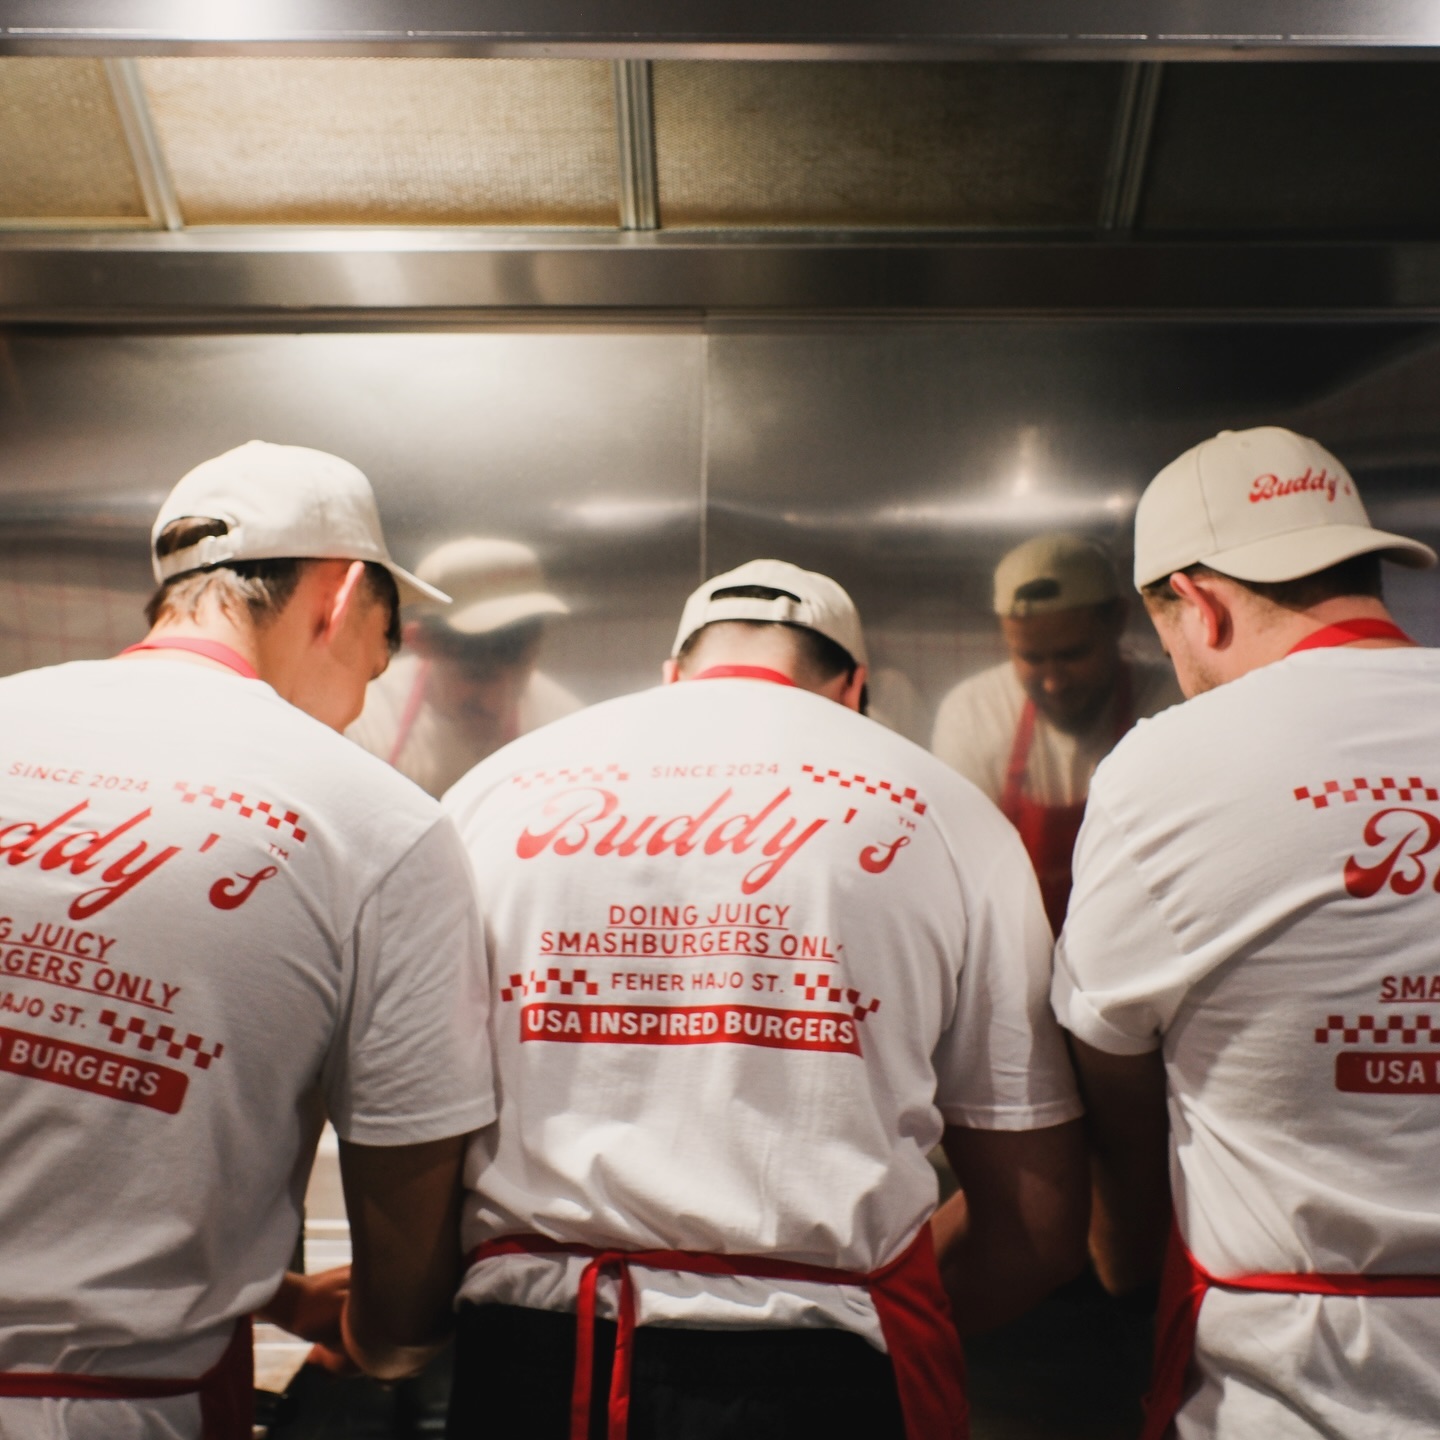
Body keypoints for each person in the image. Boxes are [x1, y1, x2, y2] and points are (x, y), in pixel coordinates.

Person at [442, 558, 1087, 1440]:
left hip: (531, 1364)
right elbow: (1038, 1224)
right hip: (818, 1377)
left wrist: (394, 1323)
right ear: (853, 688)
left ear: (672, 675)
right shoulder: (945, 810)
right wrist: (866, 1310)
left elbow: (415, 1119)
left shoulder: (493, 793)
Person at [0, 440, 494, 1440]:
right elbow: (403, 1283)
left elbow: (64, 1146)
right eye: (388, 638)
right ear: (344, 594)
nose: (373, 681)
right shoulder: (380, 825)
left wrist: (280, 1294)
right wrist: (380, 1334)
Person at [1052, 426, 1440, 1439]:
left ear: (1203, 604)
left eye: (1168, 635)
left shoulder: (1166, 768)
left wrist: (1123, 1249)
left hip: (1296, 1391)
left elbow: (1109, 1063)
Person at [931, 534, 1180, 931]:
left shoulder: (1171, 702)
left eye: (1073, 654)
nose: (1053, 683)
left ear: (1117, 620)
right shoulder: (974, 713)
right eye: (1031, 658)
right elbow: (960, 876)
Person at [349, 537, 579, 798]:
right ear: (420, 642)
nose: (496, 702)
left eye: (518, 676)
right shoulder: (365, 719)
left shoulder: (563, 728)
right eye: (475, 677)